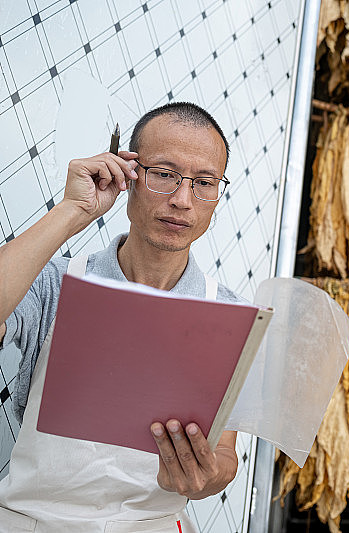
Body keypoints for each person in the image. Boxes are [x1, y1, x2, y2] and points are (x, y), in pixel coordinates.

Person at [0, 102, 243, 532]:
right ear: (129, 174)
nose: (182, 200)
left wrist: (207, 475)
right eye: (164, 174)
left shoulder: (228, 315)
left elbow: (225, 452)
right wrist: (71, 212)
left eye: (204, 182)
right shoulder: (55, 282)